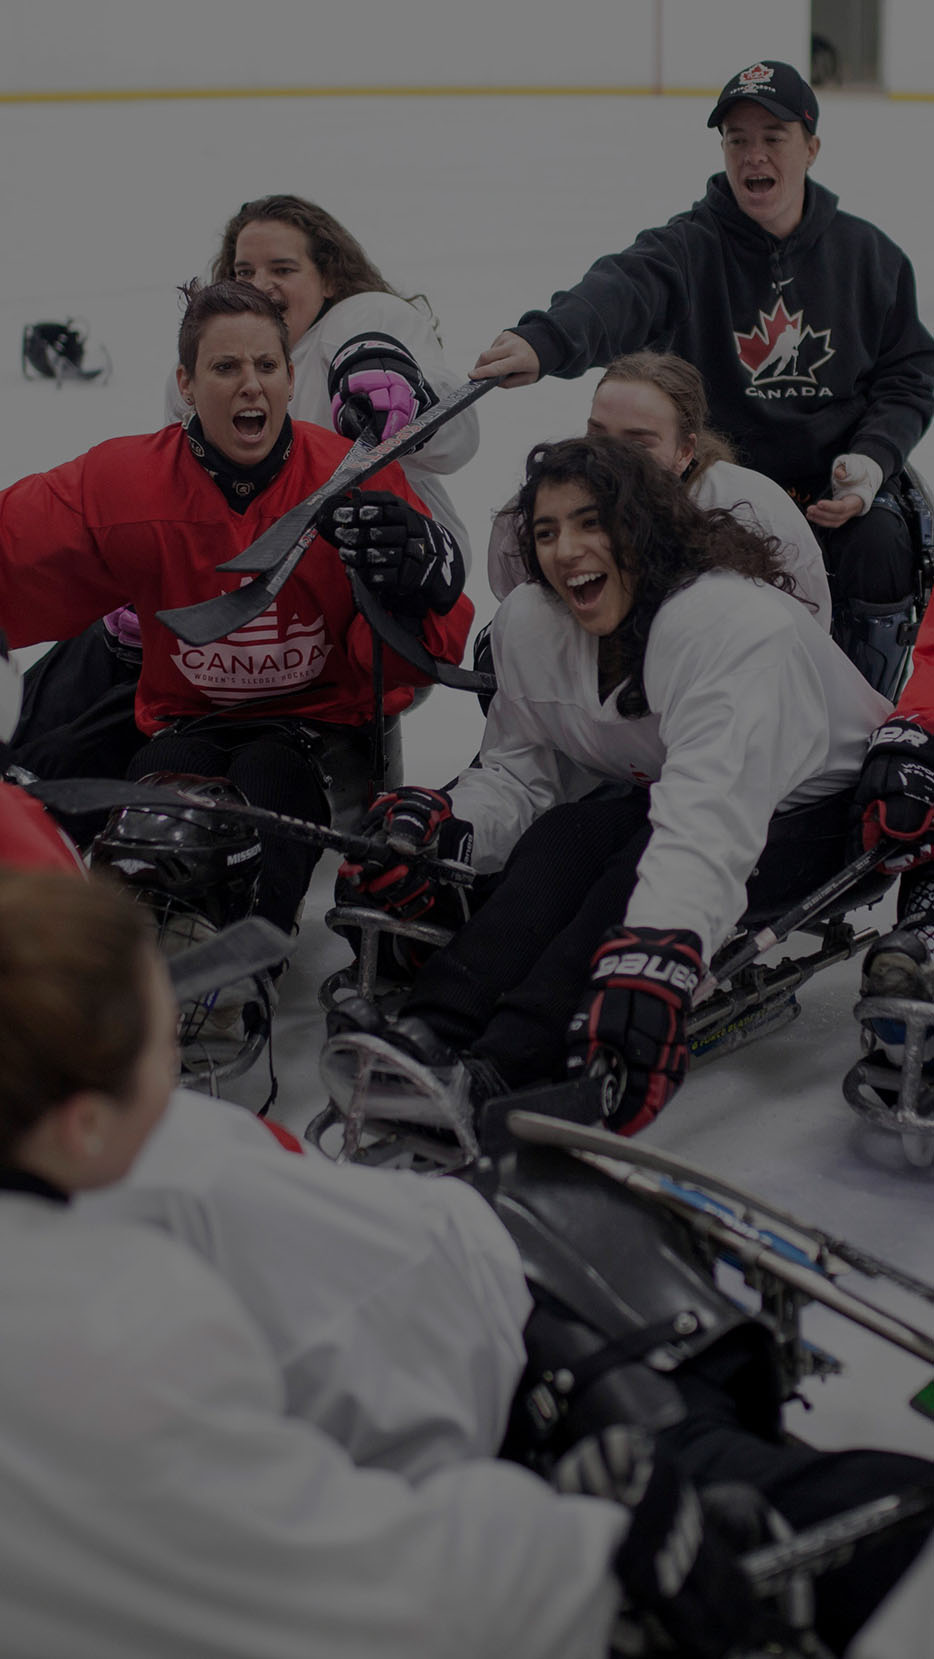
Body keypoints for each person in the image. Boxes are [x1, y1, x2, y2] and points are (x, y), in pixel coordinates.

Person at [0, 866, 928, 1656]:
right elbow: (356, 1590)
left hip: (456, 1333)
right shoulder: (106, 1338)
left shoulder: (91, 1231)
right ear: (84, 1125)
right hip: (498, 1433)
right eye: (158, 1057)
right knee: (880, 1516)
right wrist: (598, 1554)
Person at [323, 434, 889, 1140]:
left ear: (644, 526)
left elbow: (704, 827)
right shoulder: (536, 623)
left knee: (638, 864)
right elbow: (521, 771)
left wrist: (659, 953)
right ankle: (429, 1031)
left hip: (829, 806)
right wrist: (448, 825)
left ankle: (505, 1065)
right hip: (681, 788)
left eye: (592, 522)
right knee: (567, 835)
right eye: (547, 531)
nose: (565, 549)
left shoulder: (731, 625)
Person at [0, 279, 472, 940]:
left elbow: (412, 660)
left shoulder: (351, 474)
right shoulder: (127, 480)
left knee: (267, 783)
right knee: (159, 790)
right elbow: (18, 548)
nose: (250, 384)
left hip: (319, 732)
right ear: (186, 384)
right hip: (188, 719)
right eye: (226, 367)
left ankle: (238, 978)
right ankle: (141, 962)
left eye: (266, 366)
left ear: (288, 378)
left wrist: (417, 586)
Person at [471, 59, 934, 696]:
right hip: (711, 484)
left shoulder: (870, 257)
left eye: (772, 137)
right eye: (737, 139)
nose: (753, 156)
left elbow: (909, 374)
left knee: (884, 544)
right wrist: (546, 340)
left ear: (811, 147)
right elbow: (619, 290)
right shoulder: (686, 249)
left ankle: (858, 721)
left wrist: (872, 459)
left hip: (833, 489)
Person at [165, 193, 478, 562]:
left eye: (282, 270)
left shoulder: (363, 320)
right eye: (244, 272)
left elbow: (456, 443)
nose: (259, 286)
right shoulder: (199, 370)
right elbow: (185, 488)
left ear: (329, 279)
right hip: (268, 581)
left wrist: (410, 395)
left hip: (396, 561)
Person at [487, 349, 831, 627]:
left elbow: (807, 624)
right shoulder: (541, 507)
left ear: (684, 451)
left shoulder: (753, 509)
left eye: (638, 446)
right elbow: (518, 600)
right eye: (598, 435)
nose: (610, 457)